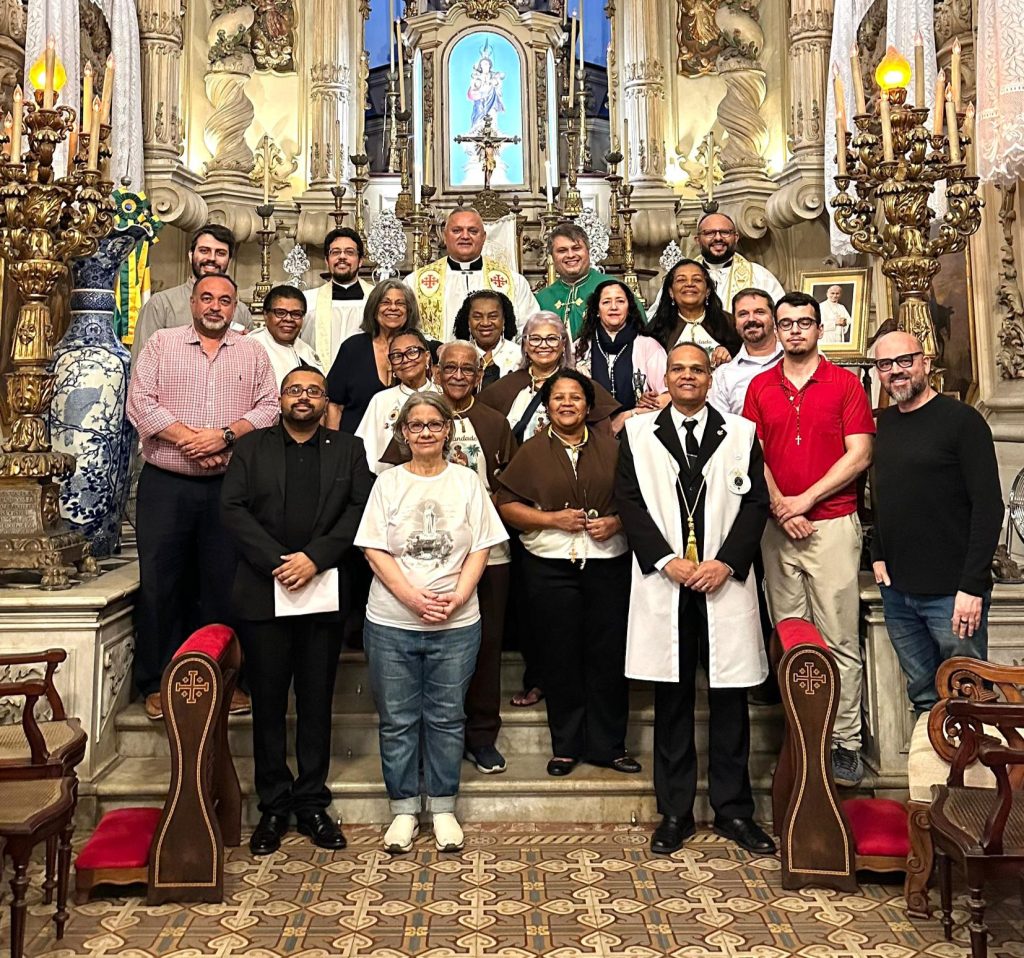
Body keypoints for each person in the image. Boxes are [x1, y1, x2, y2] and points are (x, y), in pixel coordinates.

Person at [615, 342, 774, 856]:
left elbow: (754, 503)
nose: (687, 377)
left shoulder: (741, 432)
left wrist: (726, 562)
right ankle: (676, 812)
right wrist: (667, 560)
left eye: (696, 370)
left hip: (722, 580)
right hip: (669, 580)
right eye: (678, 369)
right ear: (668, 377)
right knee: (673, 699)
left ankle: (733, 811)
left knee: (730, 697)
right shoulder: (638, 434)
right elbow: (629, 502)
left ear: (711, 377)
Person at [220, 365, 373, 855]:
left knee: (314, 700)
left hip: (323, 591)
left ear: (326, 402)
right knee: (267, 702)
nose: (303, 398)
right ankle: (273, 806)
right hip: (264, 593)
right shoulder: (251, 447)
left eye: (313, 391)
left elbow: (358, 508)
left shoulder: (348, 449)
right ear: (281, 399)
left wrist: (315, 558)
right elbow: (233, 509)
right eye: (294, 390)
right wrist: (278, 563)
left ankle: (311, 800)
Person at [355, 393, 508, 853]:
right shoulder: (388, 484)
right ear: (403, 434)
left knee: (445, 718)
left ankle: (442, 808)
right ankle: (403, 809)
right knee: (399, 719)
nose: (424, 432)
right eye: (415, 425)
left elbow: (482, 546)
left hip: (457, 623)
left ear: (448, 431)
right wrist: (412, 598)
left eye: (433, 424)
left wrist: (459, 596)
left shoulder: (465, 483)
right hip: (392, 621)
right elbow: (374, 548)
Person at [127, 274, 279, 720]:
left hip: (229, 489)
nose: (215, 307)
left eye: (225, 300)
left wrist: (225, 437)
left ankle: (225, 680)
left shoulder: (252, 351)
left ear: (236, 308)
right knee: (161, 583)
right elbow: (140, 402)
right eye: (207, 298)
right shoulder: (161, 344)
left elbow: (269, 407)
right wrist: (193, 441)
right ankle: (158, 682)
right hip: (166, 484)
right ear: (192, 301)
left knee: (227, 585)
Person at [742, 290, 875, 787]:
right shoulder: (760, 386)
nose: (795, 330)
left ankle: (845, 743)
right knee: (791, 637)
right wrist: (781, 505)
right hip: (777, 530)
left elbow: (859, 454)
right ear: (777, 331)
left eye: (804, 322)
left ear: (820, 329)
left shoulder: (845, 384)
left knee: (838, 636)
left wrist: (805, 501)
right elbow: (753, 454)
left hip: (832, 524)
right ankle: (801, 734)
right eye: (786, 323)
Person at [381, 341, 518, 773]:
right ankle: (432, 740)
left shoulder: (494, 421)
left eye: (468, 369)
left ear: (480, 375)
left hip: (485, 550)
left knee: (486, 645)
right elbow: (390, 478)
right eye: (450, 367)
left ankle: (480, 735)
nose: (458, 375)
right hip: (425, 560)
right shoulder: (420, 418)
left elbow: (513, 482)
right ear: (436, 371)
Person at [496, 370, 639, 778]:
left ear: (589, 407)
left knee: (607, 656)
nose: (566, 404)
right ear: (546, 405)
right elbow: (506, 504)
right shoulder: (532, 450)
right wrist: (550, 519)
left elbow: (639, 500)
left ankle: (609, 745)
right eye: (558, 397)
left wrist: (617, 522)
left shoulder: (614, 449)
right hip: (550, 568)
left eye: (575, 397)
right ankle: (566, 746)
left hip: (606, 565)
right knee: (560, 657)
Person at [871, 332, 1003, 714]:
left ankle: (973, 773)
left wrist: (971, 586)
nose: (896, 371)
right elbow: (881, 494)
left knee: (970, 698)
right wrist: (877, 553)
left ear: (925, 363)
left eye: (905, 361)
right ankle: (936, 772)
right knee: (925, 700)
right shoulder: (885, 424)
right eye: (885, 364)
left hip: (952, 595)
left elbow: (988, 506)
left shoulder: (963, 421)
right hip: (898, 595)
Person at [479, 312, 621, 443]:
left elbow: (602, 441)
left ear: (563, 344)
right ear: (525, 345)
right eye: (535, 339)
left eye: (552, 339)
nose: (543, 345)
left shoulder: (582, 386)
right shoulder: (506, 386)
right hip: (518, 467)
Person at [405, 209, 539, 341]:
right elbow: (408, 330)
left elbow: (530, 329)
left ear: (484, 237)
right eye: (457, 230)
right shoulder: (415, 282)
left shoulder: (514, 281)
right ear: (445, 236)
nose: (465, 236)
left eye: (473, 231)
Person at [130, 224, 252, 359]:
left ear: (229, 260)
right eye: (204, 251)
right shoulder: (161, 304)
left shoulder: (240, 310)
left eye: (220, 253)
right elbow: (141, 366)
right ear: (190, 255)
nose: (212, 258)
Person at [325, 281, 424, 433]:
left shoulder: (422, 349)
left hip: (409, 447)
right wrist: (334, 448)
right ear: (373, 308)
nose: (393, 308)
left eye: (400, 303)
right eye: (385, 302)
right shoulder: (352, 348)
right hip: (354, 447)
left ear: (409, 311)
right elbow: (334, 405)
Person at [574, 278, 668, 430]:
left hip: (639, 430)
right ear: (597, 310)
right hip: (589, 432)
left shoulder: (648, 346)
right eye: (606, 302)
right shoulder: (580, 348)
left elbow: (670, 396)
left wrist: (628, 416)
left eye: (620, 301)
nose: (613, 307)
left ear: (629, 308)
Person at [355, 329, 441, 474]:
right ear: (391, 364)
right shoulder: (381, 400)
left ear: (426, 357)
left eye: (412, 352)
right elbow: (365, 452)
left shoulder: (443, 396)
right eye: (397, 356)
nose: (406, 360)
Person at [535, 224, 644, 338]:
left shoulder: (615, 288)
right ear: (552, 256)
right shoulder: (543, 299)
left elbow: (641, 339)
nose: (571, 255)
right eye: (562, 251)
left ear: (588, 251)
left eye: (576, 248)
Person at [301, 228, 375, 370]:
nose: (342, 257)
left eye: (349, 252)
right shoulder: (308, 301)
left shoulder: (376, 299)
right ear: (327, 261)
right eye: (335, 252)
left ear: (360, 261)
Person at [647, 259, 740, 369]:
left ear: (708, 290)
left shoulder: (729, 323)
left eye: (697, 280)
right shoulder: (657, 328)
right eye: (681, 280)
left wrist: (730, 354)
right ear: (671, 292)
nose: (689, 284)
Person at [708, 288, 783, 415]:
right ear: (735, 322)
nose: (751, 319)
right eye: (743, 314)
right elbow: (722, 427)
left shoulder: (801, 359)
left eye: (760, 312)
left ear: (774, 318)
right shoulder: (723, 376)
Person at [694, 212, 785, 307]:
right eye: (709, 233)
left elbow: (780, 314)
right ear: (697, 240)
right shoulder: (684, 277)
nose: (718, 238)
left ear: (736, 238)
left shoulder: (759, 276)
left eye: (725, 232)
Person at [248, 285, 323, 388]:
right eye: (280, 313)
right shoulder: (250, 348)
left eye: (296, 314)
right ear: (265, 315)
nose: (288, 319)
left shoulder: (306, 350)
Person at [452, 290, 520, 387]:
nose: (485, 323)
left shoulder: (519, 358)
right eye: (477, 317)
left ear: (504, 319)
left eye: (493, 316)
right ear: (468, 321)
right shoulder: (457, 354)